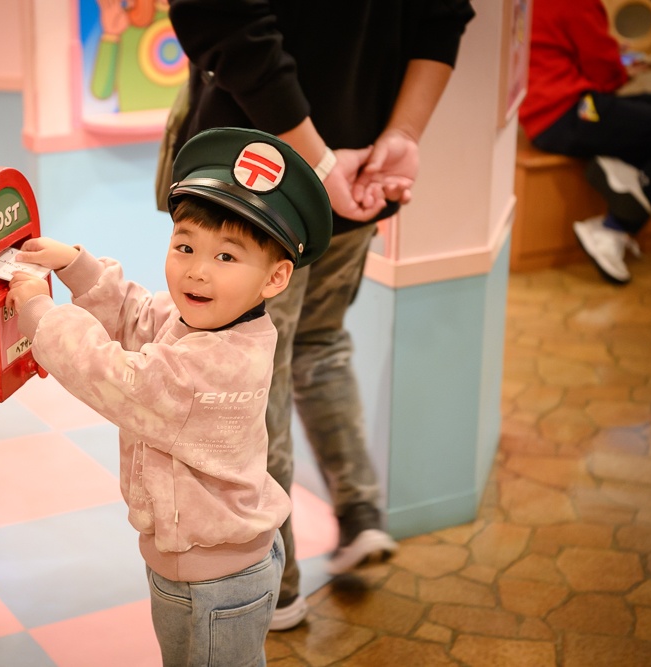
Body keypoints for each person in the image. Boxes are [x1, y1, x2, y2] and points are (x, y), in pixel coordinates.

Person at [167, 0, 476, 630]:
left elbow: (220, 17)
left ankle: (274, 589)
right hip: (360, 175)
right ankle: (360, 513)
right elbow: (440, 17)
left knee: (253, 377)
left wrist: (318, 161)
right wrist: (401, 136)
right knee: (318, 343)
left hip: (257, 187)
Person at [6, 127, 332, 666]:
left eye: (226, 257)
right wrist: (75, 267)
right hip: (200, 567)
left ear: (275, 278)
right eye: (185, 247)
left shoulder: (215, 363)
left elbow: (117, 376)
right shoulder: (208, 321)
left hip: (216, 581)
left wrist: (40, 313)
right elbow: (137, 314)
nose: (197, 270)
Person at [519, 0, 651, 284]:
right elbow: (603, 70)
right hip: (574, 112)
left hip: (555, 113)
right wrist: (621, 68)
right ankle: (612, 228)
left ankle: (622, 173)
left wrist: (612, 59)